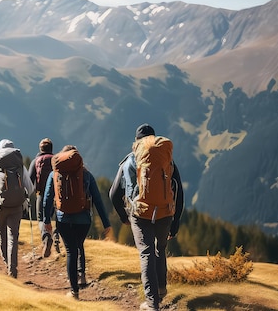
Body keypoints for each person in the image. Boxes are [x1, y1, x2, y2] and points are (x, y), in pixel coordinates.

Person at [109, 124, 184, 311]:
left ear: (136, 141)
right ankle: (161, 289)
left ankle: (152, 303)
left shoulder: (129, 161)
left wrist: (123, 217)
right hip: (165, 213)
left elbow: (113, 194)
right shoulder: (167, 159)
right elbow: (179, 192)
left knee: (146, 253)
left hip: (140, 213)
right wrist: (176, 223)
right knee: (160, 249)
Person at [43, 145, 111, 300]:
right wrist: (106, 222)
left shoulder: (55, 173)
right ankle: (82, 276)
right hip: (83, 220)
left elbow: (47, 198)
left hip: (63, 218)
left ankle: (74, 292)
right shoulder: (86, 174)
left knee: (71, 251)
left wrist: (46, 219)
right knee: (78, 245)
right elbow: (98, 200)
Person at [0, 139, 34, 278]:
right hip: (17, 206)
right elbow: (30, 188)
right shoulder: (20, 167)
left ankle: (6, 262)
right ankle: (13, 270)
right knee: (13, 237)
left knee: (2, 234)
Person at [28, 137, 60, 257]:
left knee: (41, 219)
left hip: (41, 194)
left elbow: (30, 180)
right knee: (58, 217)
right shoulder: (56, 160)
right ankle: (57, 235)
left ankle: (47, 238)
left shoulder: (36, 161)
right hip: (57, 195)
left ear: (40, 149)